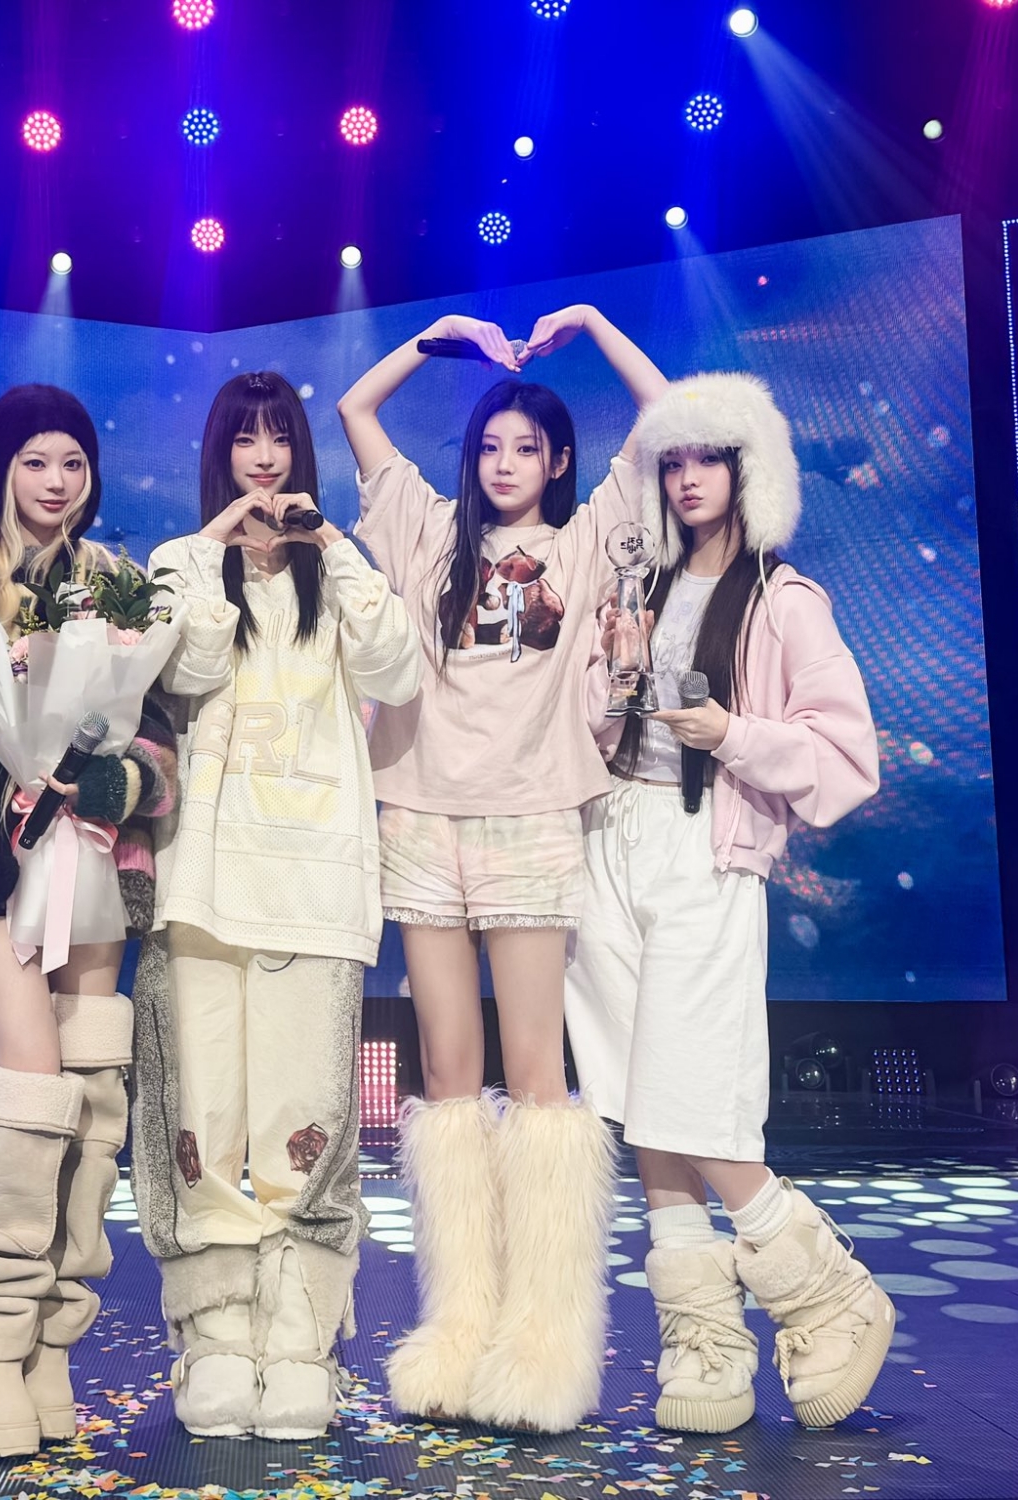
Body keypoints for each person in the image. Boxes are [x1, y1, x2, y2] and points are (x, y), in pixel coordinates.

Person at [335, 307, 665, 1432]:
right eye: (490, 446)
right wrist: (438, 340)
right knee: (445, 1078)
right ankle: (458, 1329)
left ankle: (544, 1347)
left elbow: (663, 412)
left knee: (536, 1081)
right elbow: (356, 408)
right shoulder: (426, 535)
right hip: (421, 820)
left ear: (559, 462)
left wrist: (595, 323)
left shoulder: (588, 540)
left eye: (528, 448)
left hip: (529, 821)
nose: (506, 463)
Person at [565, 371, 890, 1433]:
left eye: (709, 457)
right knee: (636, 1094)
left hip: (706, 844)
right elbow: (590, 721)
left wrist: (732, 735)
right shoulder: (640, 589)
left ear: (753, 471)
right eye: (673, 460)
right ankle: (701, 1337)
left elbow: (846, 755)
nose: (689, 477)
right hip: (608, 840)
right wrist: (611, 683)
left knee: (690, 1088)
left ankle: (825, 1294)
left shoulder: (784, 599)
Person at [132, 372, 424, 1440]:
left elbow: (396, 669)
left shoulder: (335, 574)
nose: (263, 459)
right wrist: (216, 549)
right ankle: (215, 1337)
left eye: (279, 440)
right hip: (202, 887)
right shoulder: (178, 562)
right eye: (243, 441)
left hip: (312, 886)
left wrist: (329, 543)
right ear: (220, 455)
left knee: (303, 1122)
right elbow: (188, 667)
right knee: (203, 1119)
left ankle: (301, 1340)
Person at [0, 384, 180, 1458]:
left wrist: (107, 784)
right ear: (1, 470)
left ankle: (50, 1346)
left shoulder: (119, 582)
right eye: (35, 460)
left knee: (93, 1099)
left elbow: (157, 741)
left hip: (95, 851)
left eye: (73, 461)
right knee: (30, 1084)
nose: (56, 480)